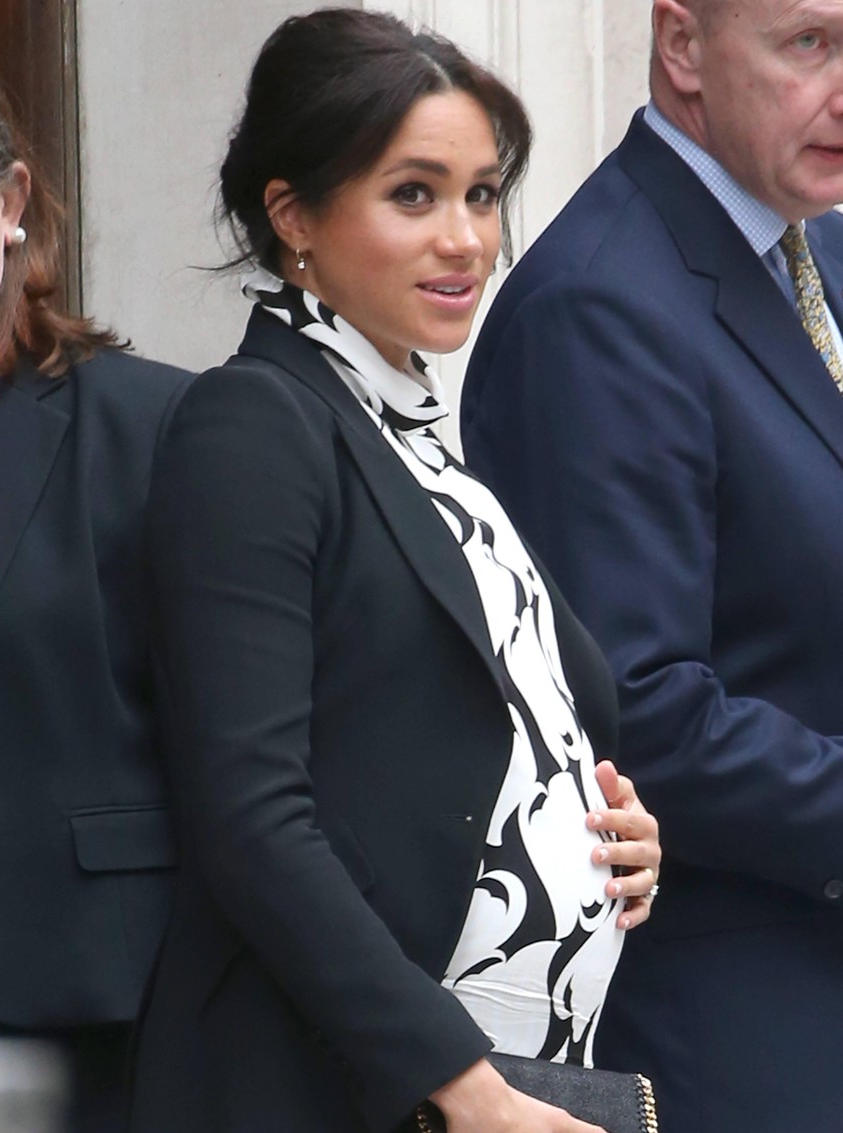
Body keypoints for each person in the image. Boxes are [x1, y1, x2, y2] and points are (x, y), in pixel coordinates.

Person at [129, 9, 661, 1133]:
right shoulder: (255, 424)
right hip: (349, 1090)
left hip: (508, 1081)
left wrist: (615, 835)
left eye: (481, 192)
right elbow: (253, 819)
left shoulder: (417, 437)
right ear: (294, 215)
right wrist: (465, 1086)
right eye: (413, 194)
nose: (467, 238)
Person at [460, 1, 843, 1131]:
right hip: (734, 1017)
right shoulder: (600, 301)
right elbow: (640, 706)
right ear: (683, 47)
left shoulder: (809, 238)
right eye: (808, 43)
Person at [0, 41, 192, 1133]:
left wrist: (588, 816)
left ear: (12, 197)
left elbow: (313, 725)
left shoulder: (159, 428)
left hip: (85, 1034)